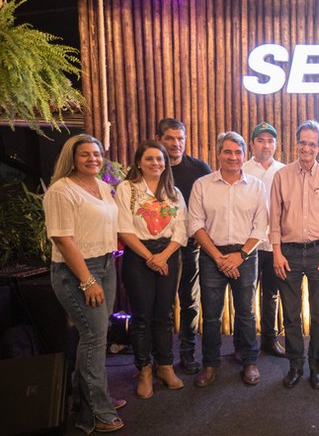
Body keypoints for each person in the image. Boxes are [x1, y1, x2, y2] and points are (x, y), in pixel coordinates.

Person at [43, 134, 124, 433]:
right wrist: (87, 281)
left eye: (97, 154)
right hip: (76, 271)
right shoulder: (61, 190)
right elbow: (62, 239)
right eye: (85, 154)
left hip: (105, 265)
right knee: (93, 337)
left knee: (96, 336)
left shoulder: (101, 186)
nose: (93, 159)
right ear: (72, 158)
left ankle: (86, 398)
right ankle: (97, 413)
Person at [187, 132, 268, 388]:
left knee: (246, 312)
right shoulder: (202, 185)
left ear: (244, 155)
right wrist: (219, 258)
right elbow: (195, 224)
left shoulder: (257, 186)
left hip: (246, 255)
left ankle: (249, 361)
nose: (233, 157)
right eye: (228, 152)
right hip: (212, 255)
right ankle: (210, 363)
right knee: (211, 315)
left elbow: (261, 225)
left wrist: (240, 255)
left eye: (237, 152)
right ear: (218, 154)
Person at [270, 120, 319, 390]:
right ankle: (296, 366)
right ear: (296, 143)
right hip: (287, 253)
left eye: (312, 144)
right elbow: (274, 218)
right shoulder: (281, 176)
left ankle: (317, 367)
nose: (307, 148)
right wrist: (276, 252)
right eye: (303, 142)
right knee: (291, 314)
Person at [115, 140, 187, 399]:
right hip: (138, 256)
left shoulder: (174, 192)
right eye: (149, 159)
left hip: (168, 255)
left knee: (164, 314)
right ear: (139, 162)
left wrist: (163, 257)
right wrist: (151, 258)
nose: (155, 163)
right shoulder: (127, 189)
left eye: (160, 159)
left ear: (165, 163)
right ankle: (144, 370)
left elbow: (181, 230)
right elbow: (124, 228)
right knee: (142, 316)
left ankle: (165, 366)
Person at [155, 118, 212, 375]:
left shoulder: (199, 168)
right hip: (158, 248)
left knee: (190, 301)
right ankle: (162, 357)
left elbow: (212, 203)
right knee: (162, 304)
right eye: (170, 138)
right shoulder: (150, 167)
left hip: (191, 246)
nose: (176, 143)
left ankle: (188, 353)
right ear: (159, 140)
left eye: (180, 138)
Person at [242, 122, 287, 357]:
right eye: (260, 140)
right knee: (245, 296)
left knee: (271, 294)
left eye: (270, 141)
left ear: (276, 145)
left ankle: (270, 340)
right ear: (252, 144)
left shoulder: (284, 171)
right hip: (248, 245)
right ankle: (245, 344)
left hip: (274, 245)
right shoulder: (243, 169)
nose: (266, 145)